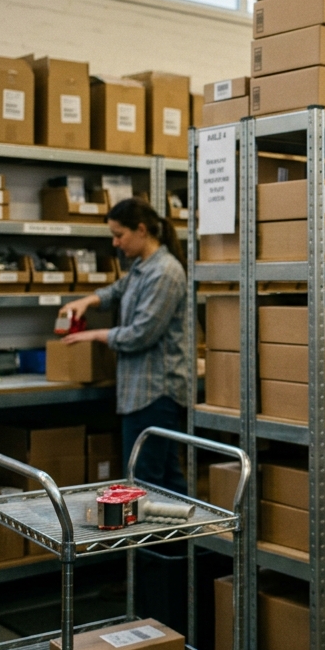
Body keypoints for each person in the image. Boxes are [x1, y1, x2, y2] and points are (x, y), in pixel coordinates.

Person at [58, 197, 188, 494]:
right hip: (140, 393)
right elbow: (119, 289)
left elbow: (141, 334)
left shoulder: (165, 272)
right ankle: (180, 543)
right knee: (166, 484)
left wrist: (95, 335)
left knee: (146, 485)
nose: (115, 243)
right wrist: (89, 300)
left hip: (155, 394)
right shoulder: (143, 267)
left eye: (119, 235)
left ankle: (153, 543)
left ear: (141, 230)